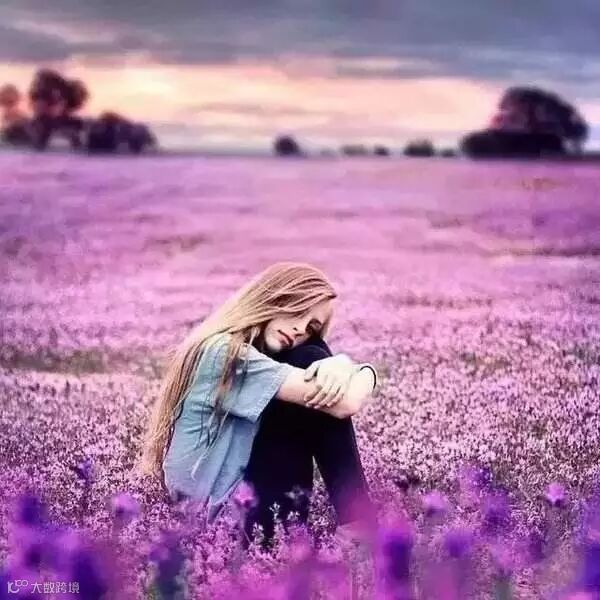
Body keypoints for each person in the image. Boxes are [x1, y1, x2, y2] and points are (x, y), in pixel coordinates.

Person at [139, 261, 378, 546]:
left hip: (235, 513)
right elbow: (346, 402)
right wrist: (360, 370)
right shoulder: (224, 355)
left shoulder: (241, 353)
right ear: (272, 296)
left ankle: (357, 522)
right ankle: (358, 520)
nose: (299, 328)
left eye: (311, 327)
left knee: (314, 354)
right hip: (224, 527)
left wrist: (338, 364)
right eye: (297, 310)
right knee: (311, 358)